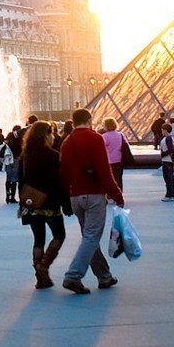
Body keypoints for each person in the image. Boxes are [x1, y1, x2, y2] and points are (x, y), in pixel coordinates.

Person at [58, 107, 124, 294]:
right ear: (89, 120)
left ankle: (104, 277)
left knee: (89, 237)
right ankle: (73, 275)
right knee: (91, 237)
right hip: (94, 196)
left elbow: (63, 174)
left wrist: (67, 198)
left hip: (75, 197)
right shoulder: (95, 138)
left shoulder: (67, 142)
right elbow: (105, 171)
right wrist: (117, 195)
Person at [19, 121, 69, 289]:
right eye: (52, 134)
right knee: (59, 235)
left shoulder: (25, 155)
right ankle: (44, 266)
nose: (54, 137)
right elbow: (59, 182)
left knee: (38, 239)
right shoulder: (53, 155)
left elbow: (21, 181)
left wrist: (23, 204)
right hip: (50, 203)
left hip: (32, 203)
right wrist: (66, 203)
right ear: (45, 135)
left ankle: (40, 276)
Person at [156, 119, 174, 201]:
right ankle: (171, 195)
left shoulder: (168, 139)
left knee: (168, 179)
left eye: (162, 130)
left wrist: (163, 154)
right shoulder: (171, 138)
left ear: (165, 130)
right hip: (169, 161)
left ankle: (169, 195)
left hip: (167, 161)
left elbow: (170, 149)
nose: (161, 132)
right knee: (170, 179)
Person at [101, 117, 127, 190]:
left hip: (109, 161)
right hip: (119, 160)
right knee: (119, 178)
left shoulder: (104, 136)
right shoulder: (120, 135)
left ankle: (111, 196)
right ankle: (119, 193)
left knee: (110, 179)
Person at [0, 132, 19, 203]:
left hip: (8, 160)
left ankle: (7, 196)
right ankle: (12, 197)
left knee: (8, 178)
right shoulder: (18, 140)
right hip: (15, 160)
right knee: (14, 179)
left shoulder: (8, 140)